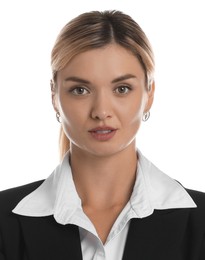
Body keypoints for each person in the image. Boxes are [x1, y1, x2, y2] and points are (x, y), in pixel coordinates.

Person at [0, 10, 205, 260]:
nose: (101, 111)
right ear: (54, 96)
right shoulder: (4, 219)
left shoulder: (200, 220)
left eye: (122, 88)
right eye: (80, 90)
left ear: (149, 94)